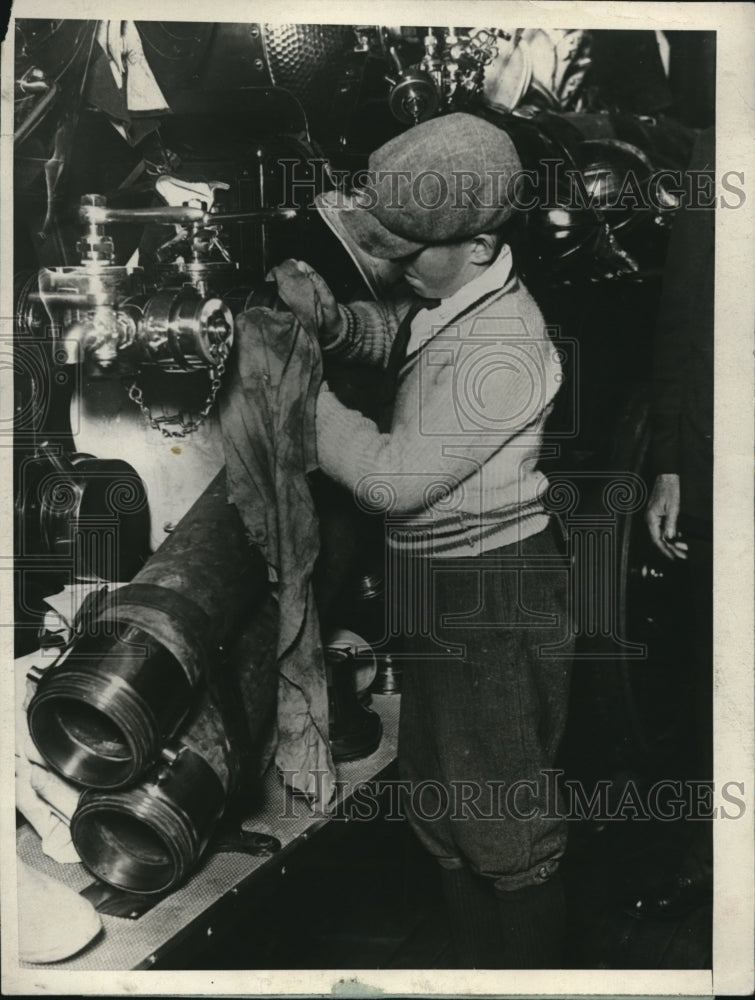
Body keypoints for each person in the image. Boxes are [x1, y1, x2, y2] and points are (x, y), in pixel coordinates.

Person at [272, 113, 574, 968]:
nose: (393, 269)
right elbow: (403, 334)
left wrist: (301, 395)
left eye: (408, 255)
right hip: (440, 581)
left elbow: (388, 480)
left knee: (502, 821)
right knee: (442, 802)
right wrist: (329, 323)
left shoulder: (507, 345)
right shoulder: (457, 294)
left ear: (479, 244)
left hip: (494, 595)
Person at [641, 126, 714, 918]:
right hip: (716, 462)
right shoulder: (717, 145)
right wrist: (667, 460)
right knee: (713, 667)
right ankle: (712, 855)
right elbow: (681, 309)